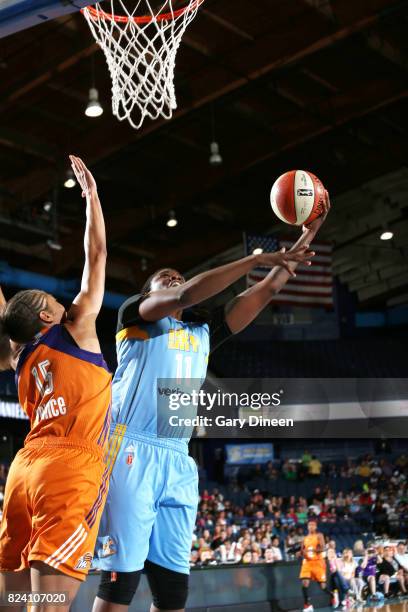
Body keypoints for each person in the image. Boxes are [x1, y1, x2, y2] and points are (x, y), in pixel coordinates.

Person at [92, 195, 331, 612]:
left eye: (175, 275)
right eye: (163, 277)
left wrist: (310, 230)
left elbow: (269, 289)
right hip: (128, 448)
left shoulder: (204, 330)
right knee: (119, 584)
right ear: (148, 292)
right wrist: (258, 259)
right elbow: (187, 292)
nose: (172, 277)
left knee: (172, 594)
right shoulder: (137, 317)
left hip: (178, 459)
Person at [0, 156, 111, 612]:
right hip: (69, 469)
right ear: (47, 316)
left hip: (23, 473)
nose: (65, 302)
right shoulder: (76, 329)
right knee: (49, 607)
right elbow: (96, 255)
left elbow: (5, 313)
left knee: (14, 599)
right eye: (54, 301)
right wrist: (92, 198)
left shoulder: (17, 353)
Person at [299, 519, 328, 612]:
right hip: (307, 562)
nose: (311, 526)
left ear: (315, 527)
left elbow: (323, 548)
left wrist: (312, 551)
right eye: (309, 525)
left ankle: (332, 594)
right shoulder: (304, 538)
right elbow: (302, 551)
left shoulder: (319, 535)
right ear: (307, 527)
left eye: (313, 525)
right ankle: (307, 605)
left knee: (323, 587)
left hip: (318, 562)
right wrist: (300, 553)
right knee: (304, 583)